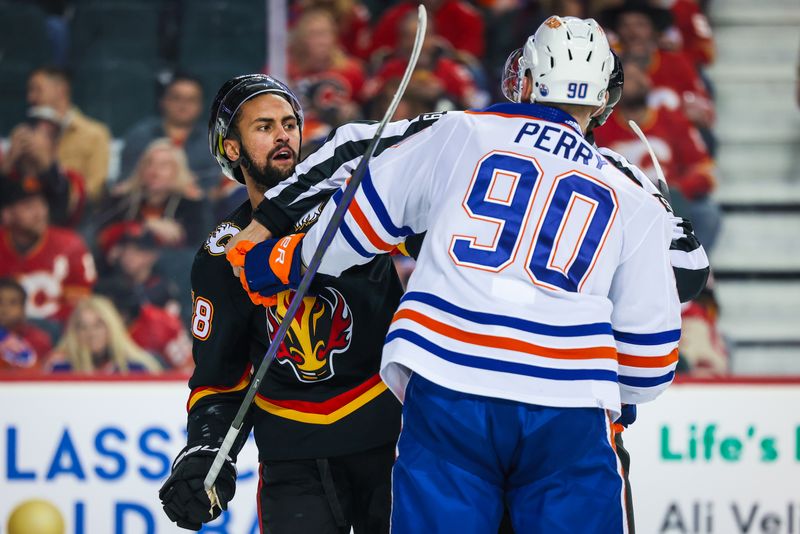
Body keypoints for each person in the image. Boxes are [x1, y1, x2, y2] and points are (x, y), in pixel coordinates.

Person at [232, 17, 681, 532]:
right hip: (570, 406)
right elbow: (650, 363)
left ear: (528, 80)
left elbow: (355, 226)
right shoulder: (634, 195)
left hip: (450, 381)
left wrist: (275, 263)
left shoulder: (462, 130)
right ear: (604, 98)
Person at [158, 75, 405, 533]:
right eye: (265, 126)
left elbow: (438, 244)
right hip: (293, 460)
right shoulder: (219, 257)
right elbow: (219, 380)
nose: (283, 135)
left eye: (290, 124)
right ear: (232, 149)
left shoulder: (356, 204)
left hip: (388, 442)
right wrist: (207, 451)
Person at [0, 174, 96, 325]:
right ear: (7, 214)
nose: (40, 213)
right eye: (28, 207)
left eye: (42, 204)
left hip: (58, 337)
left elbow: (84, 306)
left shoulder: (70, 245)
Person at [98, 138, 210, 251]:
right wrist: (146, 225)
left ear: (178, 171)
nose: (154, 171)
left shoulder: (193, 205)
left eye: (163, 166)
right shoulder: (122, 201)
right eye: (149, 164)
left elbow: (199, 248)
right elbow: (100, 237)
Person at [119, 74, 221, 192]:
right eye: (176, 98)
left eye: (191, 100)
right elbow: (125, 182)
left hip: (197, 206)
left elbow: (215, 189)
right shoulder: (139, 136)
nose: (183, 105)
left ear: (201, 106)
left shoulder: (213, 141)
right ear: (163, 101)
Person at [26, 66, 111, 202]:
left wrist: (63, 200)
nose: (31, 97)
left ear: (61, 89)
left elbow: (95, 188)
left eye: (37, 90)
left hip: (74, 216)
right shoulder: (26, 134)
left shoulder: (94, 134)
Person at [2, 106, 87, 227]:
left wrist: (46, 168)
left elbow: (60, 214)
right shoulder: (9, 174)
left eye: (47, 135)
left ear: (55, 146)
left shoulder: (72, 179)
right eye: (32, 129)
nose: (34, 139)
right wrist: (8, 163)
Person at [46, 295, 162, 374]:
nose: (91, 333)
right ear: (74, 332)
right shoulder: (60, 370)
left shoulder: (135, 370)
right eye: (83, 327)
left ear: (112, 328)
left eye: (98, 325)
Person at [0, 278, 52, 371]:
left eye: (13, 302)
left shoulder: (38, 339)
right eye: (0, 302)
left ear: (23, 309)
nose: (5, 309)